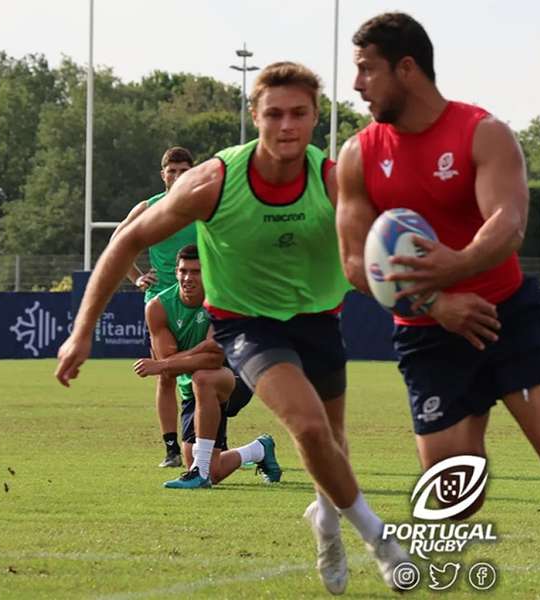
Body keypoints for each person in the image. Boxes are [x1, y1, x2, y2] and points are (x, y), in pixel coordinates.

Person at [56, 61, 408, 594]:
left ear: (316, 118)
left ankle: (327, 524)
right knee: (309, 428)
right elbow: (125, 241)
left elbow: (373, 254)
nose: (286, 125)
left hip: (317, 320)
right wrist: (83, 330)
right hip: (248, 326)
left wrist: (391, 277)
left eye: (299, 114)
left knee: (333, 446)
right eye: (273, 114)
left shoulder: (334, 180)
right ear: (254, 115)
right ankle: (379, 539)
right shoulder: (213, 182)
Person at [336, 13, 540, 600]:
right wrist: (437, 300)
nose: (358, 85)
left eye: (367, 70)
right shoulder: (358, 156)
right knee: (452, 492)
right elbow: (353, 262)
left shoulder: (482, 133)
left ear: (407, 68)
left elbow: (509, 223)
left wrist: (455, 266)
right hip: (428, 334)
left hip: (507, 315)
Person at [131, 244, 281, 488]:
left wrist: (166, 363)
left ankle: (199, 474)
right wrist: (194, 353)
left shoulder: (223, 299)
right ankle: (258, 450)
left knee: (205, 376)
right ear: (176, 272)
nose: (188, 278)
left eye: (196, 271)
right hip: (193, 388)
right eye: (183, 271)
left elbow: (213, 358)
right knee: (214, 469)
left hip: (237, 376)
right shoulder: (158, 307)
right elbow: (171, 365)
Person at [111, 146, 197, 468]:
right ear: (163, 175)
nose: (177, 177)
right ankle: (172, 448)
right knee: (167, 373)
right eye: (171, 171)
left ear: (193, 172)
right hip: (162, 301)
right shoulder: (149, 207)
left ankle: (209, 442)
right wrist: (135, 278)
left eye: (184, 171)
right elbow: (118, 242)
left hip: (202, 301)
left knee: (209, 372)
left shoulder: (204, 207)